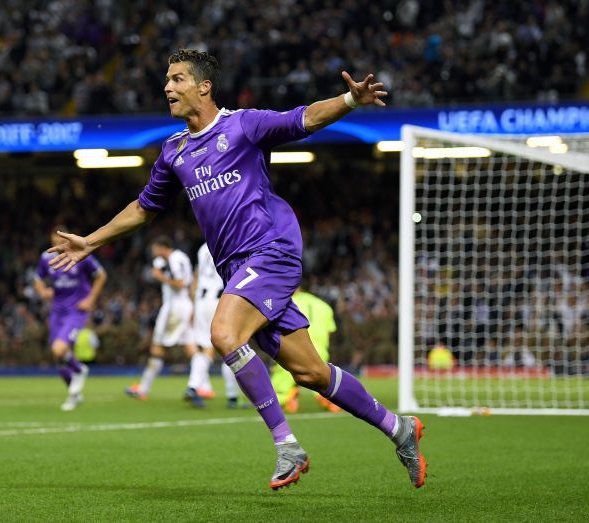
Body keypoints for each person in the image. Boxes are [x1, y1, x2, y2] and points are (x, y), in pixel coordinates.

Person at [47, 49, 426, 490]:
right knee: (310, 373)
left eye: (178, 79)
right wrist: (90, 241)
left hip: (271, 251)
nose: (168, 87)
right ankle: (399, 428)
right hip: (237, 270)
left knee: (224, 334)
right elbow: (143, 208)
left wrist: (350, 100)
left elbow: (300, 119)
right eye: (167, 80)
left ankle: (287, 445)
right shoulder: (173, 152)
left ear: (204, 87)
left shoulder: (242, 125)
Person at [125, 236, 206, 407]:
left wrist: (160, 276)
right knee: (191, 348)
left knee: (158, 348)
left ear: (162, 247)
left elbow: (180, 283)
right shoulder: (181, 257)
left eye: (154, 248)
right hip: (183, 306)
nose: (153, 252)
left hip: (174, 309)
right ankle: (198, 386)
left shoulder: (174, 260)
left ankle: (143, 389)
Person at [34, 228, 107, 411]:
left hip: (76, 310)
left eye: (60, 239)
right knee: (57, 356)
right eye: (54, 239)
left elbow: (101, 275)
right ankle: (74, 394)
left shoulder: (80, 254)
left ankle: (80, 370)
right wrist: (42, 291)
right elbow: (37, 278)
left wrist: (90, 299)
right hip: (57, 311)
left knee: (59, 349)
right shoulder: (46, 258)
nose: (57, 243)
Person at [270, 285, 339, 414]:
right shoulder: (324, 306)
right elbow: (330, 333)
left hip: (293, 350)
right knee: (319, 378)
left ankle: (289, 395)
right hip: (319, 353)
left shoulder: (284, 303)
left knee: (274, 397)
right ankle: (325, 394)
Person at [192, 242, 241, 408]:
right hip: (220, 300)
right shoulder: (228, 243)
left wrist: (194, 305)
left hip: (201, 301)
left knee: (205, 348)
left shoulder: (202, 247)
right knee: (231, 348)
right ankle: (232, 397)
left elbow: (196, 276)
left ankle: (193, 386)